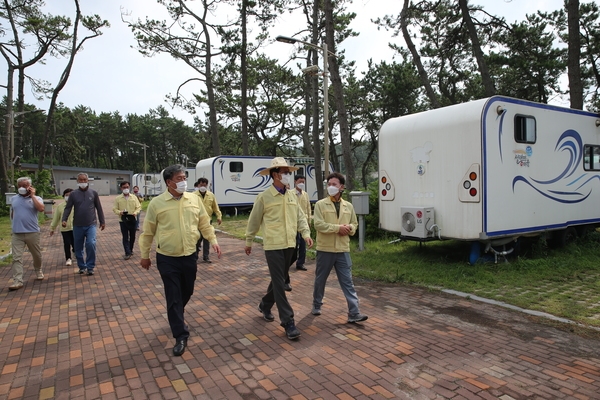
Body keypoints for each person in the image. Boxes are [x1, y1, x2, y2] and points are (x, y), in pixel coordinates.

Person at [139, 164, 222, 357]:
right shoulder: (157, 204)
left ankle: (175, 313)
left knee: (188, 290)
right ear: (169, 182)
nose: (183, 181)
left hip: (189, 254)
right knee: (173, 295)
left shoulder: (193, 199)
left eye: (184, 177)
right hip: (167, 257)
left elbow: (203, 222)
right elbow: (148, 232)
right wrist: (145, 255)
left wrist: (213, 240)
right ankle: (180, 334)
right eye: (179, 178)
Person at [245, 157, 313, 340]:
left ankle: (265, 304)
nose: (287, 176)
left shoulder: (292, 196)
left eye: (288, 172)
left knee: (279, 279)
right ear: (274, 175)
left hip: (291, 244)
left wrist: (306, 234)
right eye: (284, 173)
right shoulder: (264, 197)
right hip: (273, 245)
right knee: (280, 283)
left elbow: (300, 218)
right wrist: (249, 240)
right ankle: (288, 321)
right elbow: (254, 220)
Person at [312, 172, 368, 323]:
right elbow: (318, 224)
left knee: (347, 282)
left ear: (341, 187)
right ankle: (317, 304)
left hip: (343, 250)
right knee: (320, 279)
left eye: (334, 184)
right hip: (325, 249)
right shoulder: (320, 204)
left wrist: (349, 228)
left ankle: (354, 313)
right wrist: (337, 228)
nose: (331, 187)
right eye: (329, 184)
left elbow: (354, 224)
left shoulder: (348, 206)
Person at [62, 172, 106, 276]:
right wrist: (64, 219)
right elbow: (68, 208)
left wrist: (102, 221)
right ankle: (82, 266)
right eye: (80, 180)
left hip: (91, 224)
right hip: (77, 225)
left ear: (88, 181)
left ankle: (90, 267)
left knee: (91, 243)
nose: (83, 182)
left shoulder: (93, 193)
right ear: (77, 181)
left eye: (84, 180)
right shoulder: (73, 194)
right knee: (78, 247)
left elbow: (99, 208)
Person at [8, 177, 45, 290]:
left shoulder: (37, 198)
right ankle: (17, 280)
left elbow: (41, 208)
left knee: (36, 255)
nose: (22, 188)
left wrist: (32, 196)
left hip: (32, 232)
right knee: (16, 257)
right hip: (17, 233)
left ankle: (38, 269)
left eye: (24, 185)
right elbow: (13, 213)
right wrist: (13, 226)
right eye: (19, 186)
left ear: (30, 186)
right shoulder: (14, 198)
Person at [283, 174, 311, 291]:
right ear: (295, 182)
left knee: (302, 246)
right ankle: (283, 270)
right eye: (300, 181)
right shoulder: (291, 194)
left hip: (302, 224)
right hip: (292, 225)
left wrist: (308, 222)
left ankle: (300, 263)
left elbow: (308, 209)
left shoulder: (305, 194)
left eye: (303, 182)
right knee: (293, 249)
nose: (302, 184)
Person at [195, 177, 222, 263]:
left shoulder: (211, 195)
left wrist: (219, 216)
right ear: (198, 185)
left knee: (207, 239)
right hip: (197, 221)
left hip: (208, 220)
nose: (203, 186)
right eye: (201, 185)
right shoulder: (193, 195)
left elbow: (215, 207)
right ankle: (194, 257)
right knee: (197, 240)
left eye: (204, 185)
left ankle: (206, 256)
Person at [113, 181, 142, 260]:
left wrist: (135, 213)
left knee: (132, 236)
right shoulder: (118, 198)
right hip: (123, 220)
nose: (126, 189)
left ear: (129, 187)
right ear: (121, 188)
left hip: (132, 219)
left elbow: (138, 207)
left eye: (127, 187)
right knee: (125, 236)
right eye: (124, 187)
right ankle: (127, 252)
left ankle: (130, 249)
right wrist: (120, 212)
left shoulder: (134, 197)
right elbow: (114, 209)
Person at [50, 188, 75, 266]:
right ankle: (68, 258)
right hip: (65, 228)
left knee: (75, 243)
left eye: (70, 195)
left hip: (75, 228)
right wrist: (52, 228)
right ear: (64, 196)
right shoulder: (60, 206)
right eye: (66, 195)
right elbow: (56, 218)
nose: (68, 197)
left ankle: (76, 253)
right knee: (67, 243)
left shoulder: (77, 205)